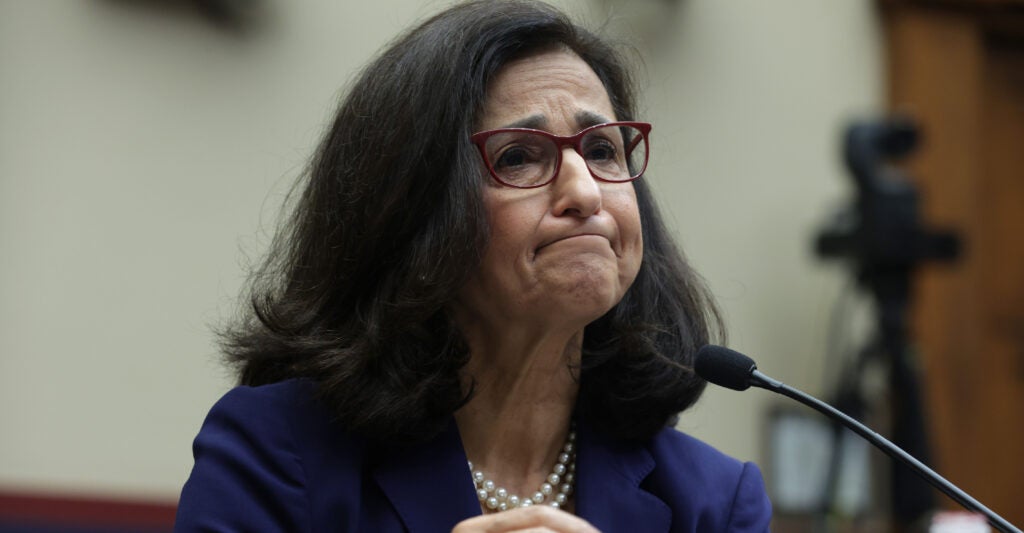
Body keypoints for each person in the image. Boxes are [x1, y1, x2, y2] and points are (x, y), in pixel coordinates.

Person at [174, 0, 772, 531]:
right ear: (412, 211)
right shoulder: (278, 453)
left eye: (601, 150)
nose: (585, 193)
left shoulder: (713, 502)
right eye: (518, 157)